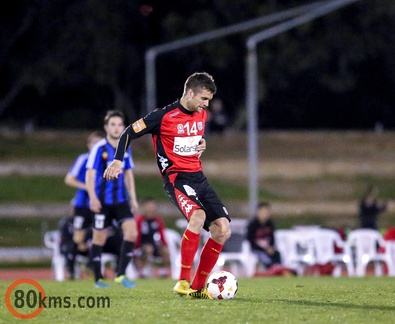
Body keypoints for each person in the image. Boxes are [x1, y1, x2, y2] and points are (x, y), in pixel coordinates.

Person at [103, 72, 231, 299]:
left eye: (209, 100)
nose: (206, 105)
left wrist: (201, 143)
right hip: (177, 178)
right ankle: (182, 280)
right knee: (198, 217)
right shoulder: (163, 117)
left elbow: (195, 138)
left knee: (223, 229)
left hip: (199, 178)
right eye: (203, 99)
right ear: (190, 93)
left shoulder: (202, 115)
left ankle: (197, 288)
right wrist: (117, 160)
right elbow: (128, 132)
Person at [86, 110, 139, 288]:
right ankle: (98, 278)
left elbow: (128, 173)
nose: (116, 128)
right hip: (102, 202)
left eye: (119, 125)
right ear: (106, 127)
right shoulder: (98, 148)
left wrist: (133, 198)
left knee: (131, 232)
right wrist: (92, 197)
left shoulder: (126, 147)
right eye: (113, 125)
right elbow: (90, 175)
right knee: (99, 237)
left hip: (121, 200)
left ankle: (121, 274)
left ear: (123, 127)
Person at [64, 131, 103, 273]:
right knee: (78, 236)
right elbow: (69, 179)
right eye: (94, 143)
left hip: (99, 204)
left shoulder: (106, 160)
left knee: (99, 234)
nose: (96, 146)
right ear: (88, 145)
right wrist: (87, 186)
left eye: (99, 143)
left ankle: (93, 268)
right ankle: (71, 269)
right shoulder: (83, 159)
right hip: (82, 204)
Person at [134, 197, 170, 278]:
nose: (150, 208)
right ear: (143, 207)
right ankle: (142, 271)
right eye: (148, 206)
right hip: (141, 246)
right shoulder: (140, 220)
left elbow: (162, 235)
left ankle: (163, 271)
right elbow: (136, 235)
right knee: (148, 249)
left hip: (153, 245)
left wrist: (165, 245)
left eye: (152, 206)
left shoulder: (157, 220)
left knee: (164, 250)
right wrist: (134, 247)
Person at [246, 202, 281, 271]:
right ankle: (270, 270)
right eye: (262, 212)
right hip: (256, 249)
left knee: (277, 254)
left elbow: (272, 238)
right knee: (265, 258)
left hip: (268, 248)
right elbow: (250, 239)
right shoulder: (253, 224)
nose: (264, 214)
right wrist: (264, 249)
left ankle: (279, 270)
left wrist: (271, 247)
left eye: (266, 212)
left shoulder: (270, 224)